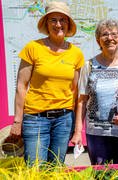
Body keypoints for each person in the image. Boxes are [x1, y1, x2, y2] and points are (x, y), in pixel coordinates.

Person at [9, 1, 84, 164]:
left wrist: (77, 129)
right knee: (35, 168)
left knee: (56, 168)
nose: (58, 24)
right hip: (35, 119)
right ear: (46, 23)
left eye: (63, 20)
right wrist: (17, 121)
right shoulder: (33, 48)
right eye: (53, 20)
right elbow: (21, 86)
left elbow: (76, 93)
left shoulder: (76, 54)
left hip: (64, 120)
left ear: (68, 24)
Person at [70, 19, 118, 165]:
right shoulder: (89, 66)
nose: (110, 38)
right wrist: (77, 132)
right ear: (98, 40)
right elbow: (81, 101)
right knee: (100, 173)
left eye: (114, 34)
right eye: (104, 34)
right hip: (97, 134)